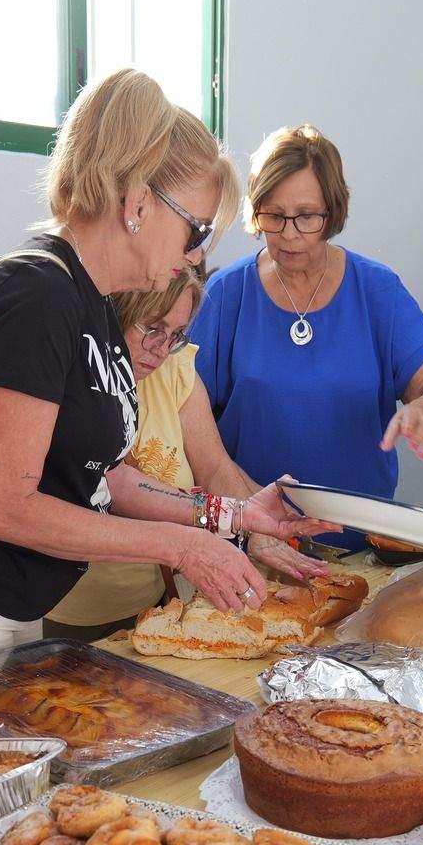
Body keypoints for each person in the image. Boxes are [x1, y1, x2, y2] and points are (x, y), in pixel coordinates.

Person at [0, 70, 331, 676]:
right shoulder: (36, 294)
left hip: (12, 606)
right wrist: (180, 546)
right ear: (139, 203)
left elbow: (101, 476)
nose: (198, 254)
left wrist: (230, 516)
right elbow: (3, 508)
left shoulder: (91, 304)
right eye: (197, 229)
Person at [189, 124, 423, 532]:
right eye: (274, 216)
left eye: (306, 217)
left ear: (332, 212)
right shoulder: (227, 294)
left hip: (361, 542)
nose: (289, 234)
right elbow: (185, 415)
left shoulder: (377, 290)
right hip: (254, 537)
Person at [44, 266, 325, 639]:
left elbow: (214, 468)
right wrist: (234, 521)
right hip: (78, 604)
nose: (161, 350)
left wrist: (251, 522)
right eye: (152, 328)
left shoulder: (175, 367)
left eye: (176, 335)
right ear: (119, 313)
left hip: (157, 595)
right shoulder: (81, 375)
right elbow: (116, 489)